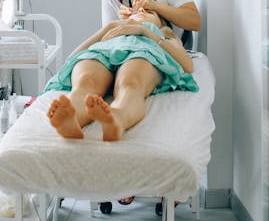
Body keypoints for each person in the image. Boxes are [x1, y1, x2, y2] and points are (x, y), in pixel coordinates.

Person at [43, 9, 196, 142]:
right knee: (85, 82)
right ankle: (71, 118)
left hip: (142, 52)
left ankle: (117, 118)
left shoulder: (163, 35)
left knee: (130, 84)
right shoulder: (113, 29)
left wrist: (145, 31)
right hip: (102, 52)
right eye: (135, 11)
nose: (140, 11)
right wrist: (106, 29)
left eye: (149, 12)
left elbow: (188, 65)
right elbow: (71, 59)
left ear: (161, 22)